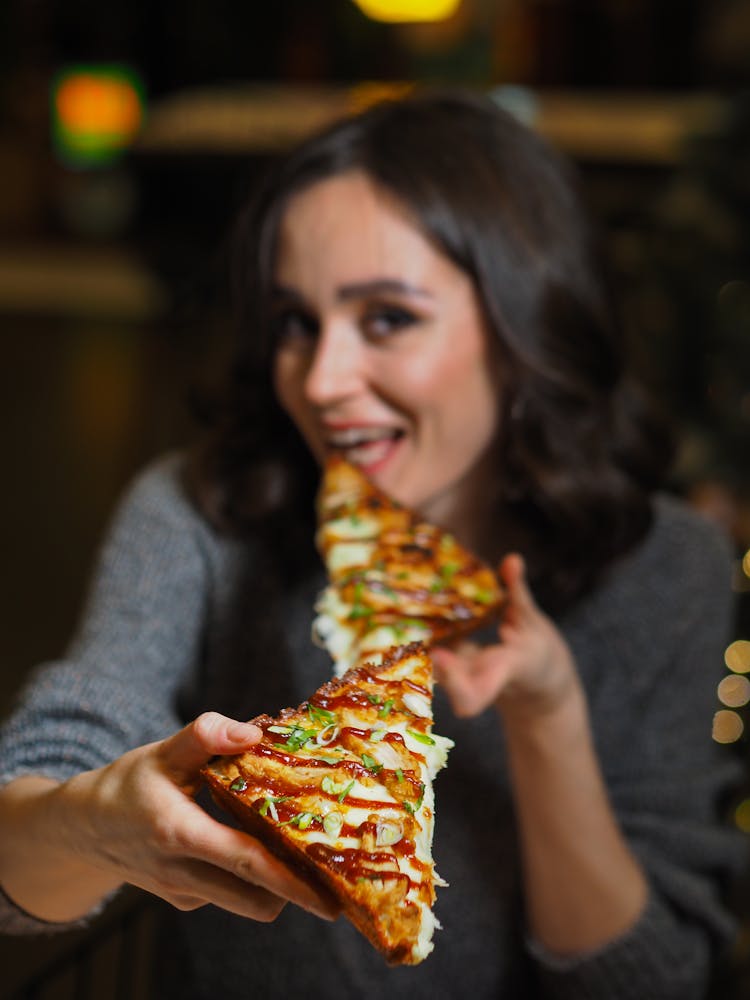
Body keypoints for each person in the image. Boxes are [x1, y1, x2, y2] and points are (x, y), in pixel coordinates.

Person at [0, 89, 744, 999]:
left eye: (386, 317)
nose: (320, 380)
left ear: (521, 329)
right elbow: (37, 802)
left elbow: (653, 982)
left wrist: (547, 717)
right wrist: (85, 825)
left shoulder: (665, 563)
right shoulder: (196, 513)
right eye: (293, 323)